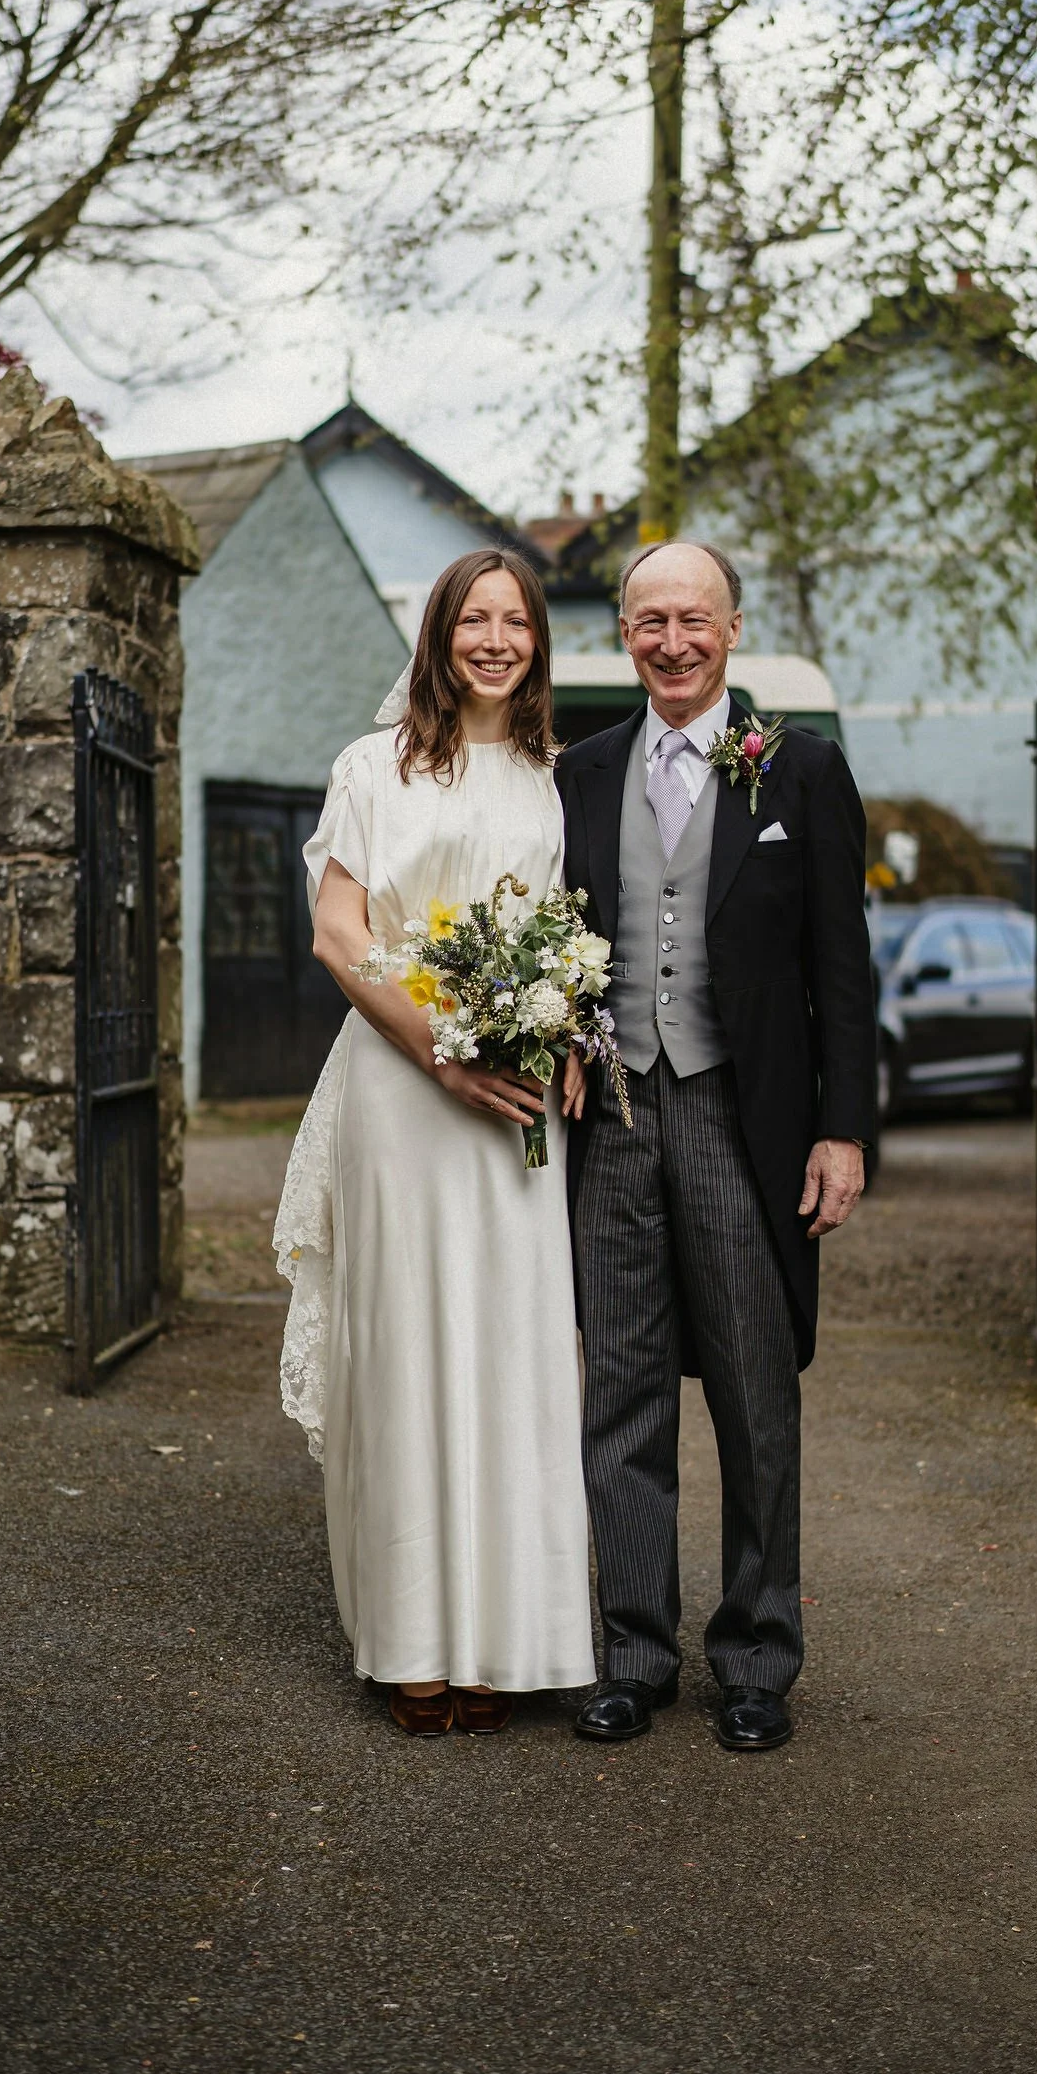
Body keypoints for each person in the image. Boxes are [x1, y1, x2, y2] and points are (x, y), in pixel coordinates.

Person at [555, 538, 877, 1753]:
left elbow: (843, 970)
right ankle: (634, 1652)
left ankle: (755, 1658)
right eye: (650, 622)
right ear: (625, 636)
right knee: (622, 1389)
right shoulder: (579, 772)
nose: (673, 642)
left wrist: (843, 1129)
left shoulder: (801, 772)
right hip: (615, 1117)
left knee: (752, 1391)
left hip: (743, 1116)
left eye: (694, 620)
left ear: (733, 629)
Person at [273, 548, 595, 1736]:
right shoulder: (374, 766)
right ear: (439, 634)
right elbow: (338, 931)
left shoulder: (556, 778)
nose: (496, 639)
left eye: (516, 621)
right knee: (409, 1351)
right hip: (407, 1092)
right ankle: (413, 1643)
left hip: (517, 1110)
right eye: (475, 619)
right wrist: (438, 1050)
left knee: (513, 1358)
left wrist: (557, 1028)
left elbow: (571, 931)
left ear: (537, 643)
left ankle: (512, 1643)